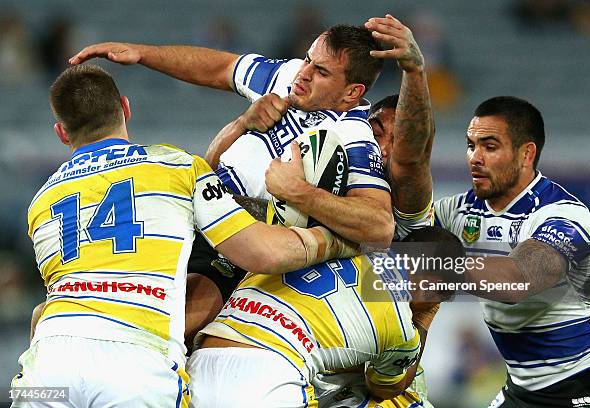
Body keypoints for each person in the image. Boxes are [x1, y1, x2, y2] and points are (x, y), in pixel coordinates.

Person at [11, 64, 357, 408]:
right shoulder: (176, 166)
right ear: (126, 108)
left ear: (62, 133)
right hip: (136, 364)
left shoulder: (41, 202)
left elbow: (49, 304)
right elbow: (262, 253)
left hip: (49, 366)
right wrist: (336, 240)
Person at [183, 15, 442, 408]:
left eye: (388, 137)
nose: (377, 146)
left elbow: (409, 161)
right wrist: (241, 127)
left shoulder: (406, 205)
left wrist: (414, 69)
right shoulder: (334, 166)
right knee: (187, 316)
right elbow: (213, 167)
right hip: (289, 354)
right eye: (372, 133)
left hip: (354, 374)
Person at [69, 23, 395, 247]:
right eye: (308, 60)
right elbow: (221, 68)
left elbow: (380, 227)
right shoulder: (288, 75)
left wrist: (299, 193)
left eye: (321, 72)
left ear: (352, 92)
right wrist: (141, 53)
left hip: (242, 241)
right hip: (198, 208)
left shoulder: (353, 134)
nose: (304, 74)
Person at [430, 96, 590, 407]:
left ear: (527, 153)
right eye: (471, 145)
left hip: (584, 383)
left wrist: (436, 265)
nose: (475, 157)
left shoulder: (564, 215)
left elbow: (518, 280)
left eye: (489, 146)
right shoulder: (458, 210)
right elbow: (392, 228)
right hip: (521, 389)